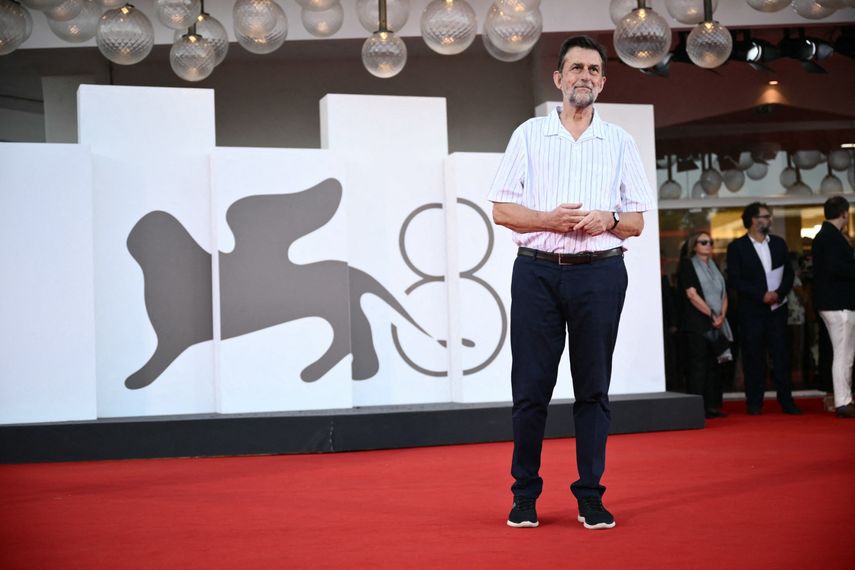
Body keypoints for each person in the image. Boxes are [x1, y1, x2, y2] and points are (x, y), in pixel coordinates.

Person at [488, 35, 655, 530]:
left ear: (602, 82)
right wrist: (548, 219)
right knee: (530, 389)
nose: (585, 75)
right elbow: (501, 210)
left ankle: (590, 496)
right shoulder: (529, 134)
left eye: (593, 69)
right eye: (576, 68)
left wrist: (608, 218)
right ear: (559, 79)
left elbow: (636, 222)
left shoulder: (620, 142)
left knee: (593, 388)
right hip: (536, 272)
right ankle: (524, 495)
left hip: (600, 273)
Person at [726, 202, 801, 415]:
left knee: (781, 356)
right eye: (765, 216)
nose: (769, 220)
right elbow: (735, 279)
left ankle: (786, 401)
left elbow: (789, 273)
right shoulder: (737, 247)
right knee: (753, 357)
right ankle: (754, 402)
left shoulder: (778, 243)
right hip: (752, 312)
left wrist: (778, 293)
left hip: (777, 309)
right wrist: (761, 295)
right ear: (753, 220)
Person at [678, 231, 732, 419]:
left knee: (714, 365)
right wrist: (711, 314)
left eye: (710, 242)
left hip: (716, 323)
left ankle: (712, 406)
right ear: (694, 246)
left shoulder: (714, 265)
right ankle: (696, 409)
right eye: (703, 242)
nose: (708, 245)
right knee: (698, 367)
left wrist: (721, 315)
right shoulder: (688, 265)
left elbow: (723, 293)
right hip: (697, 324)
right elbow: (691, 294)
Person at [811, 196, 855, 418]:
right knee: (843, 354)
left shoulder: (826, 236)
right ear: (844, 214)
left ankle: (844, 399)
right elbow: (836, 268)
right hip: (838, 304)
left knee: (845, 353)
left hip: (835, 303)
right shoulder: (830, 237)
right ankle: (843, 401)